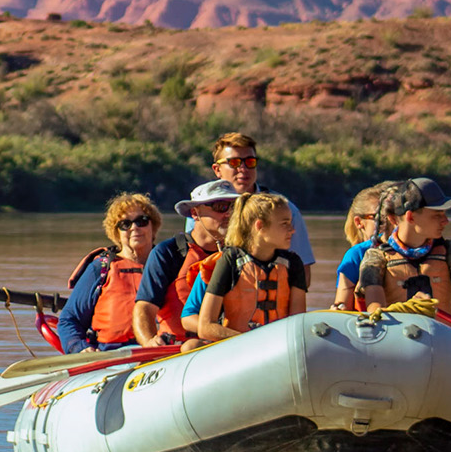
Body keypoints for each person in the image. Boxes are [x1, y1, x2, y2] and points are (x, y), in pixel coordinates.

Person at [358, 177, 451, 347]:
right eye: (437, 215)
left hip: (445, 345)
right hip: (397, 346)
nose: (445, 221)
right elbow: (375, 307)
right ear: (411, 217)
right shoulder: (375, 258)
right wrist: (410, 307)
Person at [194, 133, 315, 284]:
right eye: (234, 162)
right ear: (217, 169)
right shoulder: (200, 209)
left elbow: (303, 273)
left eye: (250, 162)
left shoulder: (285, 211)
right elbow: (193, 258)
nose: (243, 169)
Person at [131, 180, 234, 347]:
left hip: (227, 343)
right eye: (221, 207)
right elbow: (144, 308)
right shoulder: (168, 252)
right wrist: (149, 342)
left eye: (234, 208)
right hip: (179, 349)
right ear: (195, 213)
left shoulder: (241, 253)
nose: (229, 214)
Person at [56, 192, 162, 354]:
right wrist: (79, 348)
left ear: (153, 226)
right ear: (116, 232)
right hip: (112, 353)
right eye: (125, 224)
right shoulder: (101, 267)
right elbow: (69, 320)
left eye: (142, 221)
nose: (134, 228)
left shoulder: (169, 263)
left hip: (164, 351)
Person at [196, 192, 308, 339]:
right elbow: (205, 327)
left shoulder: (293, 263)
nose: (292, 230)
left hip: (279, 348)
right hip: (237, 348)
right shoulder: (230, 261)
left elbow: (297, 324)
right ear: (260, 226)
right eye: (284, 224)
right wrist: (252, 342)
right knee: (191, 346)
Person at [331, 181, 397, 311]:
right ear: (359, 222)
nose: (388, 221)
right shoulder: (356, 255)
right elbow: (342, 306)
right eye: (379, 217)